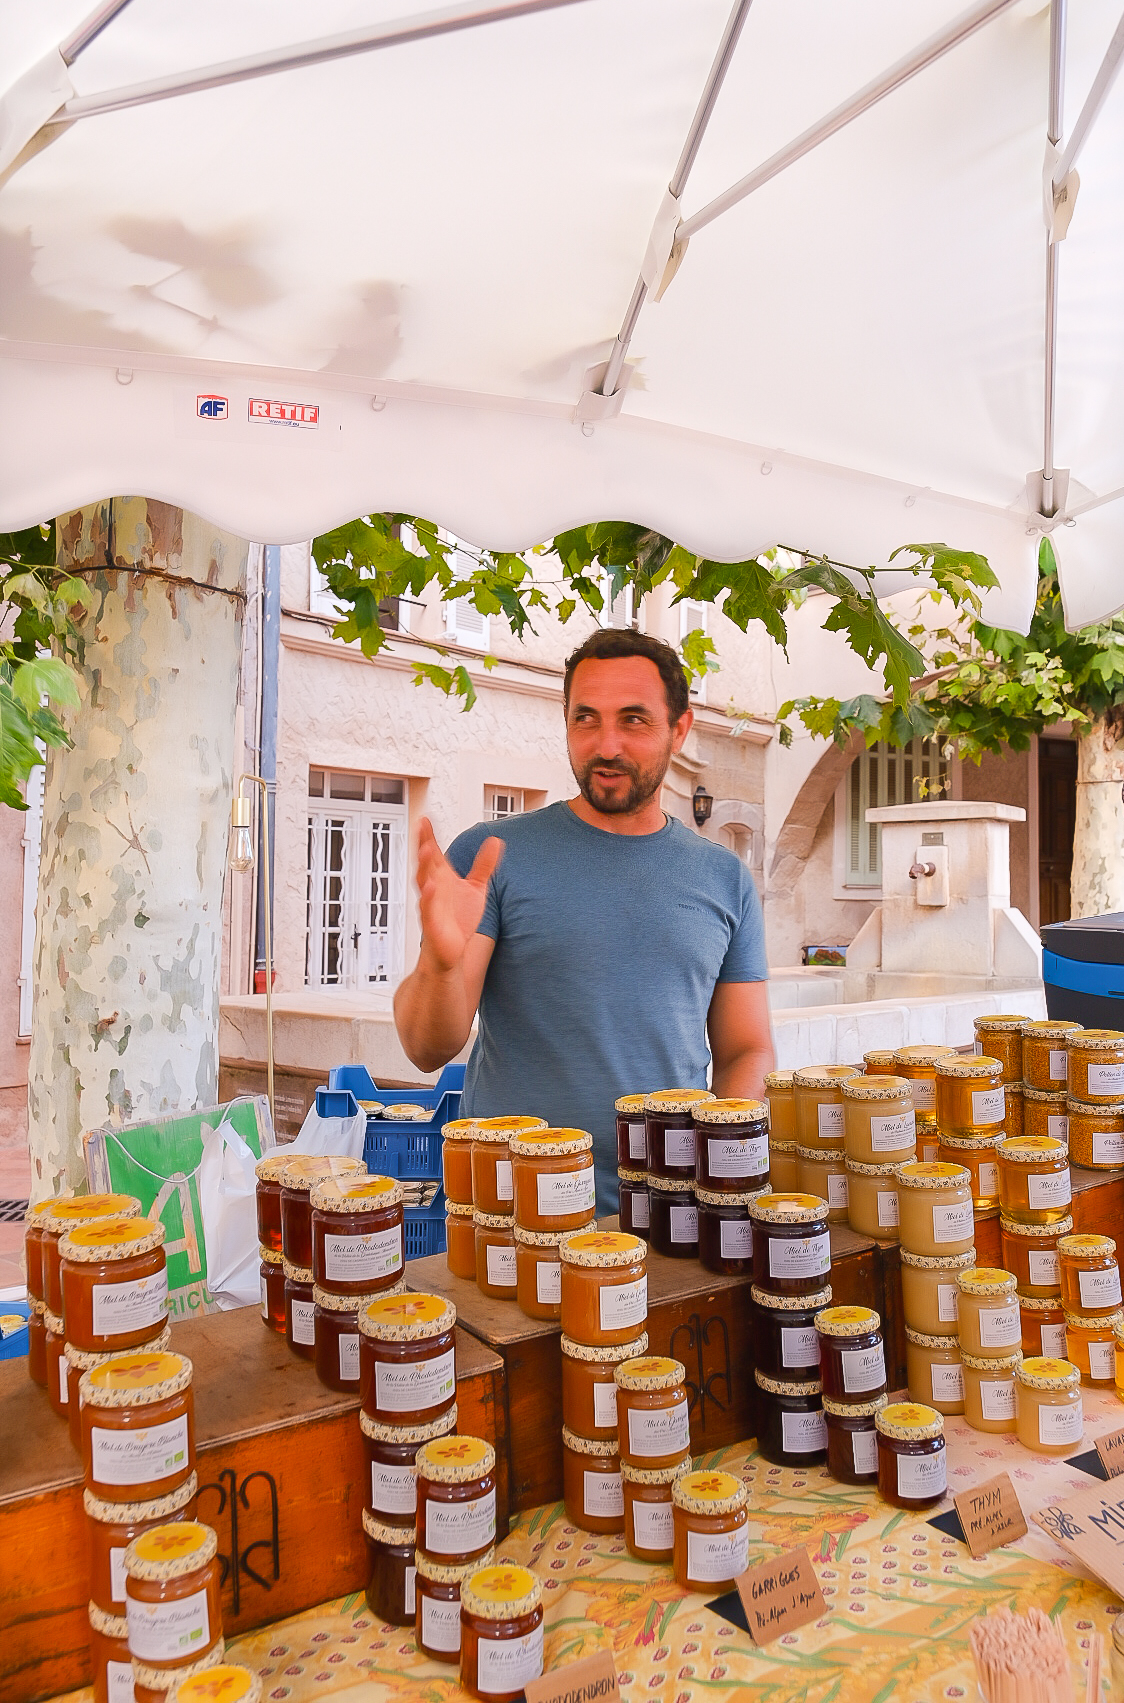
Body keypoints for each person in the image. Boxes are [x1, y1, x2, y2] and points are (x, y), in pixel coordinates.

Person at [394, 626, 774, 1214]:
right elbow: (426, 1047)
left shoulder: (724, 878)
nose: (607, 745)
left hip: (668, 1214)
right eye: (586, 719)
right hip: (512, 1215)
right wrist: (442, 965)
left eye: (634, 720)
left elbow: (745, 1050)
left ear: (680, 727)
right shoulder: (491, 855)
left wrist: (726, 1168)